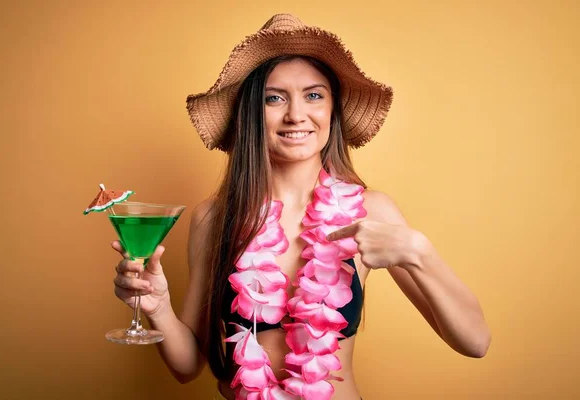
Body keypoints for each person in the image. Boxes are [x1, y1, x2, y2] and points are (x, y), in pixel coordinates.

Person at [111, 14, 491, 400]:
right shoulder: (215, 218)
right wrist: (157, 307)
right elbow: (187, 367)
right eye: (274, 98)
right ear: (250, 115)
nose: (296, 115)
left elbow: (475, 342)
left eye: (314, 95)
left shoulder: (368, 210)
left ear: (332, 111)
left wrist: (418, 252)